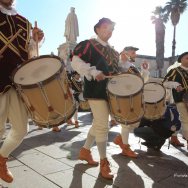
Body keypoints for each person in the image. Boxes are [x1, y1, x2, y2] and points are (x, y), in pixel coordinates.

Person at [0, 0, 44, 183]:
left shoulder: (23, 21)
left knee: (20, 129)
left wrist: (36, 41)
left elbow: (30, 53)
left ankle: (1, 159)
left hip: (18, 80)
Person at [71, 18, 119, 180]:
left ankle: (85, 151)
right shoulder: (88, 44)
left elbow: (117, 71)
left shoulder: (114, 52)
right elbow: (75, 61)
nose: (109, 31)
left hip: (110, 92)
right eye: (105, 27)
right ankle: (104, 162)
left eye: (111, 29)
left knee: (98, 123)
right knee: (102, 125)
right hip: (95, 90)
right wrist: (92, 71)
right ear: (97, 29)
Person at [113, 46, 150, 158]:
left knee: (134, 122)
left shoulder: (132, 66)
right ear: (125, 53)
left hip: (133, 96)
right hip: (122, 96)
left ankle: (120, 139)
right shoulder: (119, 64)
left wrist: (145, 70)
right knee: (126, 123)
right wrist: (121, 57)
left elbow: (142, 81)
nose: (136, 55)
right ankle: (125, 147)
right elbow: (115, 72)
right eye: (133, 52)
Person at [163, 52, 188, 148]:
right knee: (186, 120)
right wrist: (175, 84)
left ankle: (174, 137)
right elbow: (165, 82)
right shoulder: (175, 70)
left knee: (182, 120)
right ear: (181, 59)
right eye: (187, 58)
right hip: (181, 98)